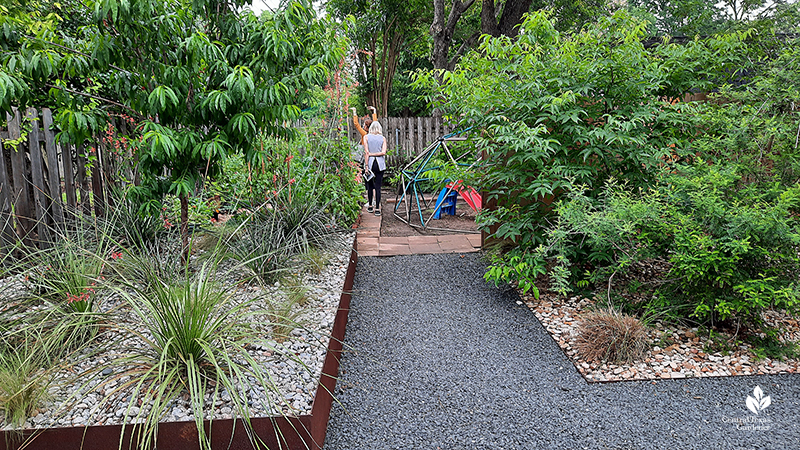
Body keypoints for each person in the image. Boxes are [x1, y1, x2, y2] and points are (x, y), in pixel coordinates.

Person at [363, 120, 387, 216]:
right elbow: (383, 152)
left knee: (369, 186)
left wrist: (366, 166)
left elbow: (366, 152)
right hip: (380, 164)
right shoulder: (383, 138)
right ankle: (377, 208)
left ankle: (370, 206)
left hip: (370, 162)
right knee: (378, 186)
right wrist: (376, 154)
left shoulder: (366, 137)